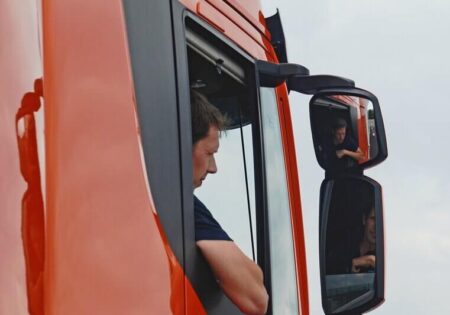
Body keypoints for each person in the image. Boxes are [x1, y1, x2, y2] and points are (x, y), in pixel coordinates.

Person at [190, 90, 269, 315]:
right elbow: (256, 298)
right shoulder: (188, 210)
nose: (213, 168)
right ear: (181, 145)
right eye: (209, 153)